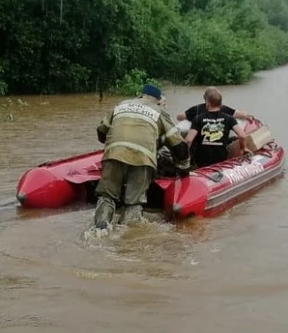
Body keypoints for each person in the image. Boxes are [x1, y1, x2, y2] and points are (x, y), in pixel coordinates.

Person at [91, 83, 189, 235]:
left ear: (140, 95)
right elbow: (178, 145)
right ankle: (127, 233)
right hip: (142, 158)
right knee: (133, 201)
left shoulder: (121, 105)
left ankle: (101, 228)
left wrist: (114, 146)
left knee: (106, 195)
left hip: (113, 154)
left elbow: (102, 131)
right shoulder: (159, 112)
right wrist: (183, 168)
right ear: (158, 100)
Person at [186, 89, 251, 168]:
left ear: (207, 103)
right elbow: (242, 135)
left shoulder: (197, 119)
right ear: (220, 104)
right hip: (221, 157)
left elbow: (189, 140)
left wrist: (184, 156)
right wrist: (243, 148)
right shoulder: (229, 118)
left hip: (201, 158)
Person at [176, 86, 254, 123]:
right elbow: (239, 114)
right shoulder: (224, 109)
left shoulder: (195, 109)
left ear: (204, 98)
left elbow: (179, 117)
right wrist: (248, 116)